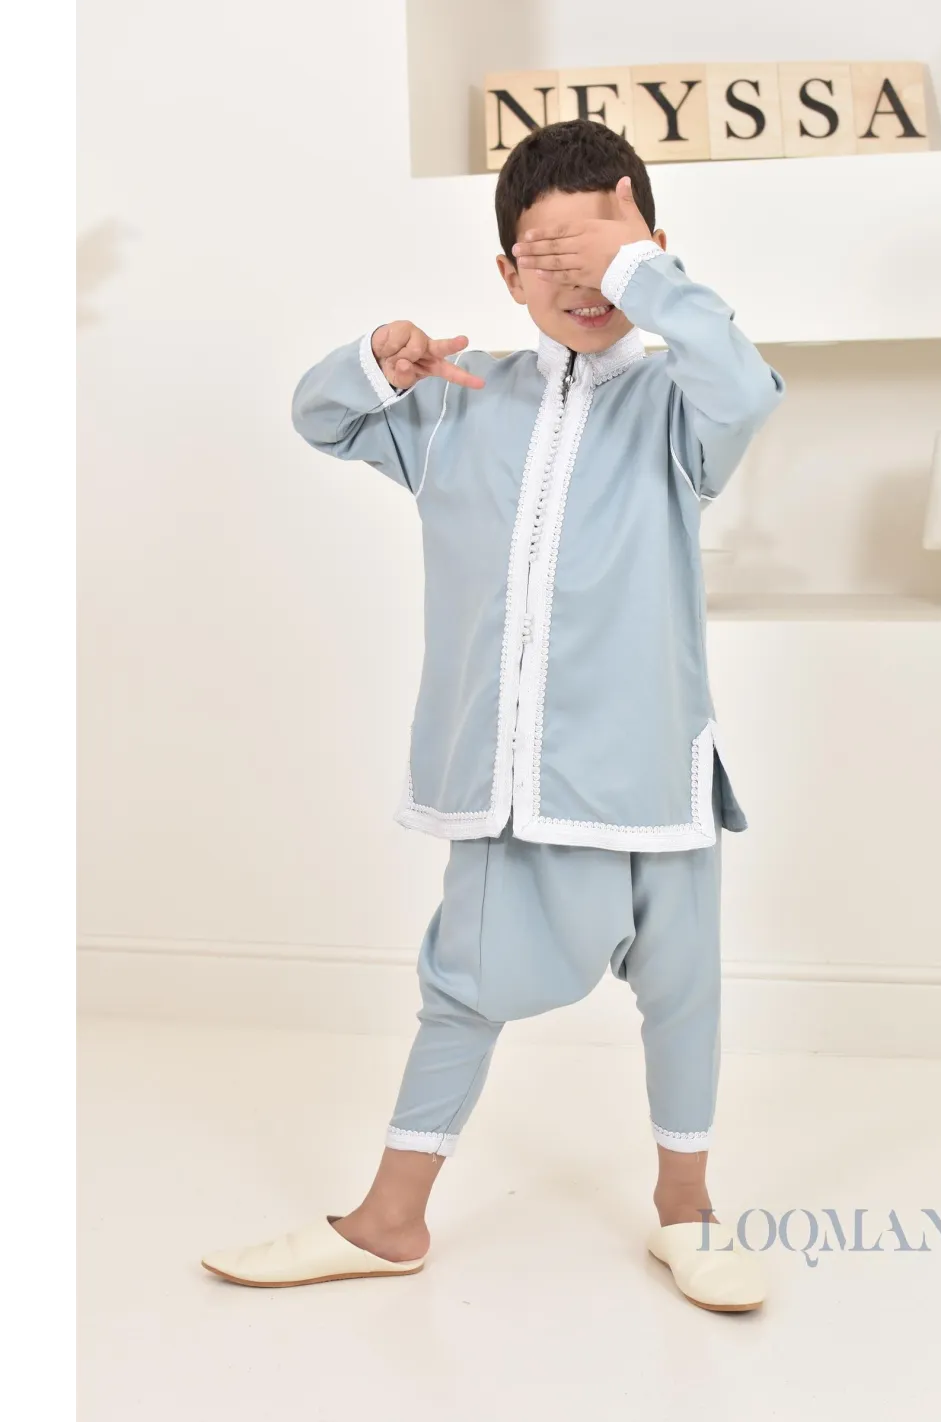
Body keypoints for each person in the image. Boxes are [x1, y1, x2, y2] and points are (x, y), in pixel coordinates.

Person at [201, 119, 785, 1311]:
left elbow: (743, 383)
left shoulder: (677, 405)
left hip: (653, 767)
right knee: (462, 987)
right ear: (509, 276)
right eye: (552, 257)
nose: (581, 278)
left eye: (605, 252)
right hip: (511, 780)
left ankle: (686, 1212)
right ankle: (389, 1220)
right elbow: (322, 417)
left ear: (651, 250)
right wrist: (381, 361)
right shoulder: (459, 407)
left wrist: (633, 269)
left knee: (683, 991)